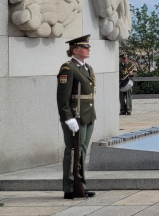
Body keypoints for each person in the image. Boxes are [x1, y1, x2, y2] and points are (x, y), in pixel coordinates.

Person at [57, 34, 96, 199]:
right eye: (85, 47)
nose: (88, 49)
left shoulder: (88, 68)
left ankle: (81, 185)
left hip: (88, 115)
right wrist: (68, 117)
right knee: (72, 151)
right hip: (75, 117)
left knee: (82, 151)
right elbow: (62, 98)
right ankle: (69, 187)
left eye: (88, 47)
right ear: (75, 50)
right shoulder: (68, 68)